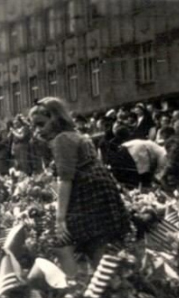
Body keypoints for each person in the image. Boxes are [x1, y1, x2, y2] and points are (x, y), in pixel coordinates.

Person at [29, 97, 129, 266]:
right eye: (34, 126)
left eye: (41, 124)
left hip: (87, 192)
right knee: (104, 242)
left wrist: (60, 219)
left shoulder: (62, 139)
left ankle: (101, 282)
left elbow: (65, 180)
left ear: (56, 119)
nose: (37, 131)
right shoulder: (74, 135)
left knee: (93, 239)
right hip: (99, 189)